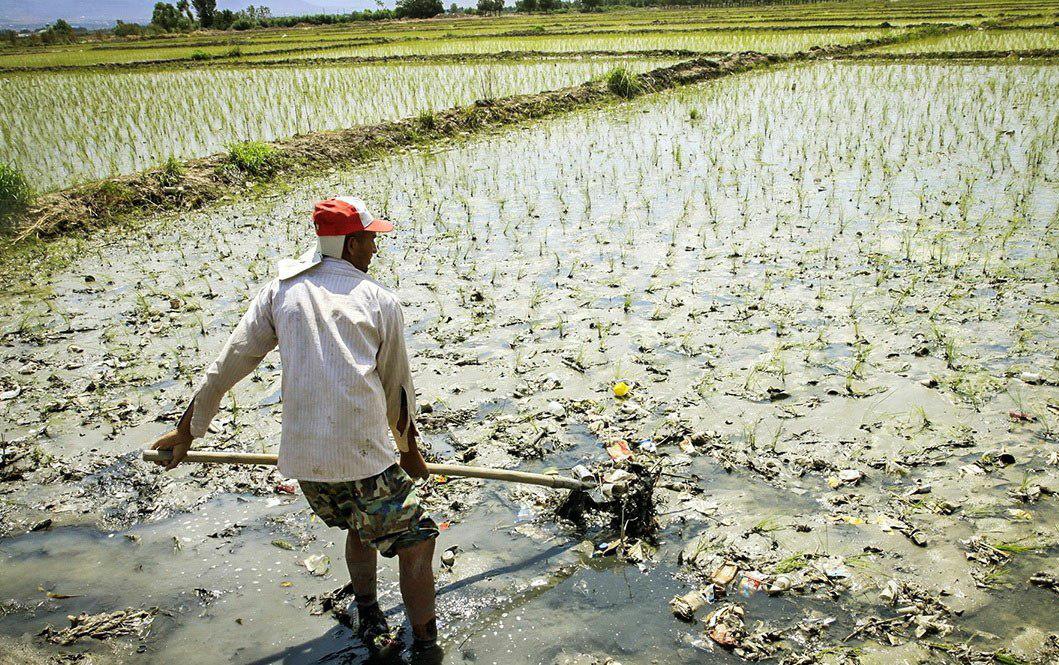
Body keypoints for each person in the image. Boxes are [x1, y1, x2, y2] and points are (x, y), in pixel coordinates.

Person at [149, 196, 440, 657]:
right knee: (420, 542)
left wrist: (188, 430)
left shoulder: (279, 292)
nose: (374, 250)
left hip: (305, 463)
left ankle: (369, 614)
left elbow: (229, 363)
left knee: (360, 527)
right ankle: (426, 647)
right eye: (368, 240)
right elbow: (397, 389)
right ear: (348, 244)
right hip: (363, 455)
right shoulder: (378, 300)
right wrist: (408, 452)